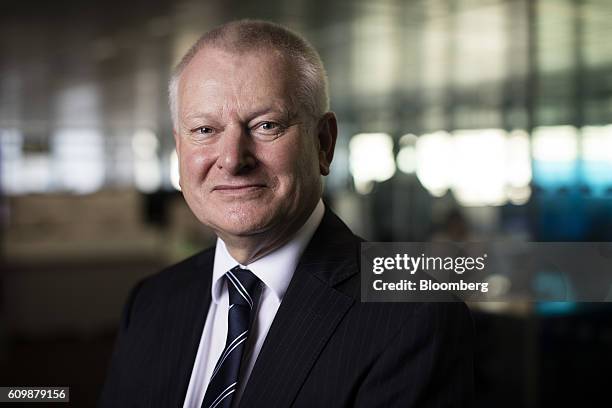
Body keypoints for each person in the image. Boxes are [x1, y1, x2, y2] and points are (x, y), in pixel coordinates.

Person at [99, 19, 474, 408]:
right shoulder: (151, 302)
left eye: (266, 126)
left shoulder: (413, 316)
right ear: (180, 150)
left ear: (324, 144)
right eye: (205, 130)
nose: (231, 159)